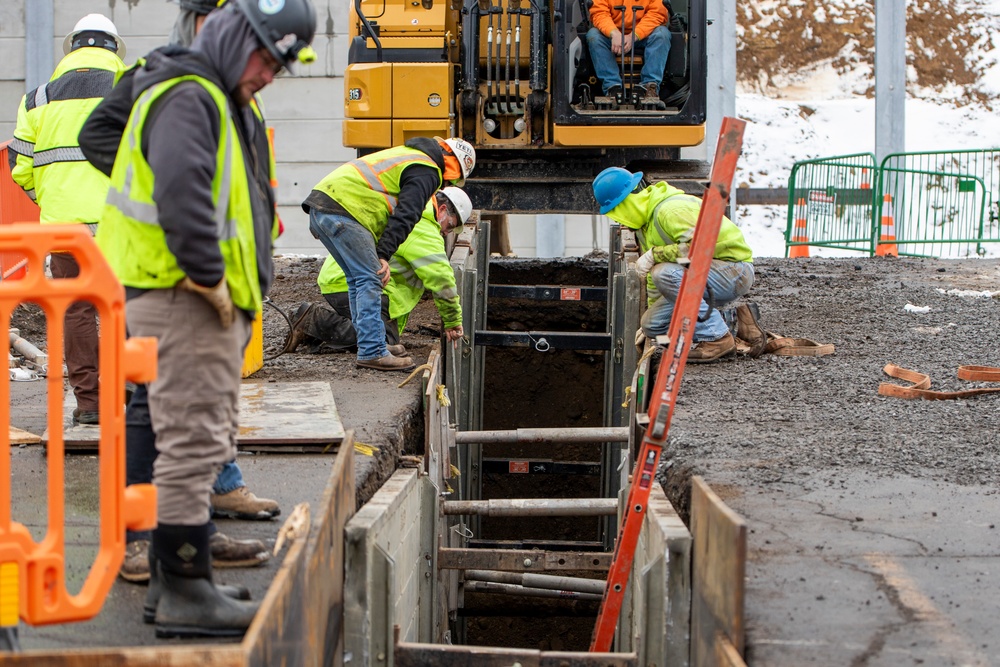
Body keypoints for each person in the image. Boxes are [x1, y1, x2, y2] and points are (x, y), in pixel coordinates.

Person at [83, 0, 316, 638]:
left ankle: (172, 580)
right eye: (266, 57)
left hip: (190, 295)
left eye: (280, 65)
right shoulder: (191, 95)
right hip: (186, 298)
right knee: (193, 443)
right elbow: (184, 189)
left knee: (189, 435)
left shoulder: (209, 93)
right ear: (234, 34)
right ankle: (187, 587)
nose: (270, 74)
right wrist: (208, 276)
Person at [8, 14, 127, 425]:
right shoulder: (132, 88)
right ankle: (132, 392)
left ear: (72, 49)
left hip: (63, 228)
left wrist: (53, 201)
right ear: (114, 49)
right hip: (121, 224)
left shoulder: (37, 99)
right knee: (128, 305)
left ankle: (90, 403)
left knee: (75, 310)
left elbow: (20, 167)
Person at [302, 136, 476, 371]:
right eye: (450, 225)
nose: (446, 232)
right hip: (343, 209)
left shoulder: (409, 156)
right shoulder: (427, 169)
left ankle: (373, 345)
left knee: (359, 279)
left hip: (325, 205)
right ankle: (373, 351)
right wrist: (382, 254)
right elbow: (406, 215)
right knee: (369, 278)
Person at [592, 166, 764, 363]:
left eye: (615, 211)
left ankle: (717, 340)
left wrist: (656, 254)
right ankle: (733, 321)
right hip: (704, 274)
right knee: (653, 324)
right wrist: (650, 316)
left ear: (626, 203)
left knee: (664, 273)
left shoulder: (670, 211)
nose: (616, 217)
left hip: (733, 270)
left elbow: (701, 248)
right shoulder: (647, 223)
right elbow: (652, 278)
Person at [285, 187, 474, 353]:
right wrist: (452, 320)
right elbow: (440, 277)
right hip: (353, 283)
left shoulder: (409, 209)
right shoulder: (422, 227)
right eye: (450, 225)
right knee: (381, 341)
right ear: (441, 210)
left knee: (384, 336)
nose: (447, 232)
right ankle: (313, 320)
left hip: (346, 278)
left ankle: (314, 332)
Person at [586, 0, 669, 109]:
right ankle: (612, 88)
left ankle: (650, 88)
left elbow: (657, 13)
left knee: (662, 34)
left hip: (645, 34)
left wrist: (633, 36)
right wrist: (614, 33)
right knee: (594, 36)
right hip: (612, 35)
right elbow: (599, 13)